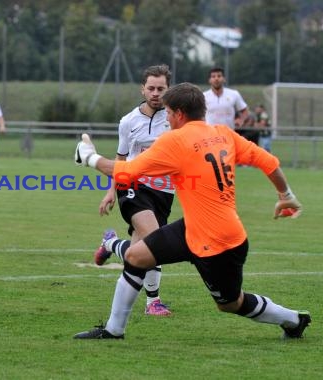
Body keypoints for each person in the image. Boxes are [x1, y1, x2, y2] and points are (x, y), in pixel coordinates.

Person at [73, 82, 310, 340]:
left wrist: (89, 157)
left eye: (169, 113)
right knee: (135, 256)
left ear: (180, 114)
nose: (167, 119)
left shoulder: (176, 140)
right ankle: (113, 330)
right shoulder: (223, 133)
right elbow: (268, 162)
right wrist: (286, 195)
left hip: (218, 242)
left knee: (230, 303)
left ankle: (293, 320)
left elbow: (126, 171)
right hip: (194, 228)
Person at [93, 64, 174, 316]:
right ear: (143, 88)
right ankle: (153, 302)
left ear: (168, 89)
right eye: (151, 88)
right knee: (155, 239)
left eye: (161, 88)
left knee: (142, 250)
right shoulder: (128, 121)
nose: (156, 93)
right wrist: (110, 192)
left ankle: (111, 244)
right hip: (133, 186)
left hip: (164, 191)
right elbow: (120, 160)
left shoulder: (175, 120)